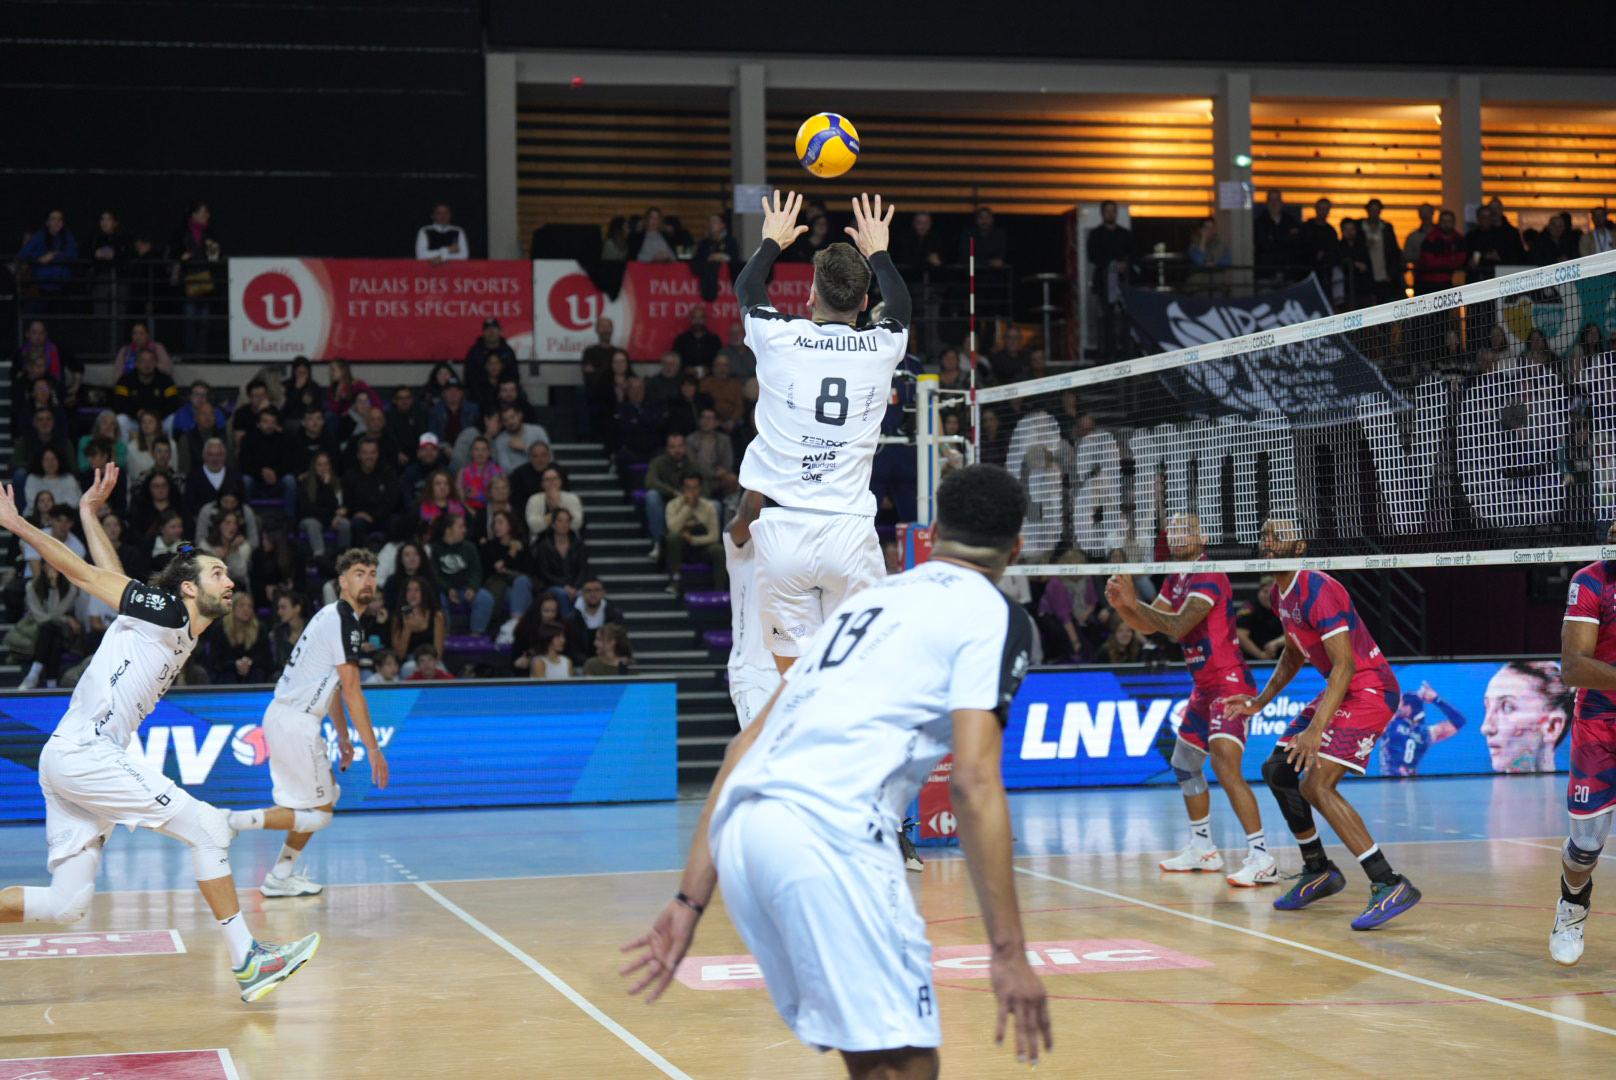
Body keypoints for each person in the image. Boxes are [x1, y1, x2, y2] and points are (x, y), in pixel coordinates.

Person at [620, 464, 1049, 1075]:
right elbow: (974, 781)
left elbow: (743, 748)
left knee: (881, 1060)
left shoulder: (867, 604)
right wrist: (1008, 953)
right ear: (1017, 546)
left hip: (744, 837)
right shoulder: (998, 616)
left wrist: (690, 900)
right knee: (906, 1065)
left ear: (935, 531)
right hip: (828, 836)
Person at [0, 465, 320, 1003]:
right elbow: (82, 576)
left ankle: (249, 955)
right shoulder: (170, 612)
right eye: (219, 573)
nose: (232, 582)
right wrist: (16, 524)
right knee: (208, 831)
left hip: (72, 758)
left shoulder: (164, 619)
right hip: (85, 755)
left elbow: (110, 577)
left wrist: (86, 514)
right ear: (190, 587)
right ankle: (249, 960)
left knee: (66, 905)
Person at [733, 191, 908, 676]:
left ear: (810, 297)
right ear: (865, 303)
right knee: (866, 675)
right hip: (850, 533)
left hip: (784, 531)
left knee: (797, 683)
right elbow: (902, 304)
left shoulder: (778, 338)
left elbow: (748, 288)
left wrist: (772, 242)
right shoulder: (882, 345)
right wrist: (879, 250)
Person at [1226, 518, 1419, 930]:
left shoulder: (1319, 587)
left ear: (1300, 548)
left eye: (1278, 536)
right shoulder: (1281, 595)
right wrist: (1260, 701)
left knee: (1315, 783)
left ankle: (1389, 882)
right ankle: (1318, 870)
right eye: (1264, 536)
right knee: (1278, 770)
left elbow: (1346, 665)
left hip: (1368, 689)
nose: (1268, 542)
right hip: (1342, 687)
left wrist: (1315, 730)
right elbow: (1295, 655)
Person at [1107, 513, 1276, 887]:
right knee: (1184, 762)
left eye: (1188, 529)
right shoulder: (1176, 576)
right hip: (1203, 687)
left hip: (1230, 682)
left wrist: (1136, 602)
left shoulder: (1209, 572)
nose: (1179, 534)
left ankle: (1262, 856)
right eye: (1174, 530)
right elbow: (1153, 625)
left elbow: (1179, 626)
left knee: (1225, 765)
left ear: (1202, 537)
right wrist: (1125, 607)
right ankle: (1203, 848)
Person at [228, 550, 390, 897]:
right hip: (295, 723)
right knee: (319, 814)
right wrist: (372, 749)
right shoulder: (343, 620)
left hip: (290, 719)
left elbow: (332, 688)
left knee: (326, 796)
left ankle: (280, 877)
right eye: (360, 573)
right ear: (343, 582)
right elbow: (351, 691)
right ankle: (231, 822)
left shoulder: (334, 617)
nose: (368, 580)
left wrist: (344, 738)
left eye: (373, 573)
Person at [1552, 540, 1616, 964]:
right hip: (1601, 719)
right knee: (1586, 845)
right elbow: (1573, 666)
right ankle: (1572, 905)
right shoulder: (1591, 581)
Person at [723, 491, 781, 728]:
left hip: (792, 669)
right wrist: (765, 466)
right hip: (752, 671)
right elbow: (749, 512)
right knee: (759, 751)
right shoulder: (739, 545)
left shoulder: (792, 547)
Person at [6, 562, 81, 690]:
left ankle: (34, 674)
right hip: (36, 629)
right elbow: (38, 616)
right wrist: (65, 619)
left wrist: (54, 587)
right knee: (50, 631)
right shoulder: (32, 586)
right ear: (43, 566)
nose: (53, 569)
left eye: (55, 565)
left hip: (62, 631)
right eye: (49, 565)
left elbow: (58, 611)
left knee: (52, 630)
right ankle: (51, 683)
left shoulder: (70, 588)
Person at [1380, 681, 1468, 777]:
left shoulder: (1390, 725)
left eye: (1400, 703)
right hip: (1411, 785)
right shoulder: (1427, 733)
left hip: (1390, 783)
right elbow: (1459, 721)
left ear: (1408, 708)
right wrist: (1436, 699)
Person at [1086, 200, 1133, 358]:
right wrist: (1111, 265)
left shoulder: (1125, 234)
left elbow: (1132, 254)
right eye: (1107, 211)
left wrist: (1124, 265)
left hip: (1123, 284)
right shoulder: (1096, 234)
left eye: (1113, 211)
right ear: (1102, 213)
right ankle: (1108, 353)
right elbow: (1092, 256)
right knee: (1107, 319)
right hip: (1104, 284)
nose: (1110, 214)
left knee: (1126, 317)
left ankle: (1126, 351)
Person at [665, 474, 726, 590]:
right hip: (681, 548)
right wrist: (688, 507)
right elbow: (672, 529)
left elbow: (714, 536)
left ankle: (719, 590)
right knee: (672, 538)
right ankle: (675, 581)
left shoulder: (709, 507)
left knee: (718, 549)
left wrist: (693, 540)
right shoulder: (672, 505)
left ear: (701, 488)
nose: (692, 491)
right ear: (683, 489)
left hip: (702, 547)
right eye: (688, 488)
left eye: (695, 488)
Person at [202, 591, 274, 685]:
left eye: (249, 606)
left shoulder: (260, 629)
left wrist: (250, 662)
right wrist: (235, 664)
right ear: (232, 608)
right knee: (228, 676)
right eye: (242, 605)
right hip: (227, 672)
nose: (246, 609)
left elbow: (266, 658)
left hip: (253, 671)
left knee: (257, 674)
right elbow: (215, 661)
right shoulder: (220, 628)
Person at [390, 576, 446, 663]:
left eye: (417, 590)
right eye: (409, 590)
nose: (412, 594)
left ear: (424, 593)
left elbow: (438, 653)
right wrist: (407, 628)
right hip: (409, 661)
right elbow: (400, 655)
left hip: (432, 662)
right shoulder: (398, 617)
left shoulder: (437, 616)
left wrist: (427, 665)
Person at [1235, 577, 1286, 660]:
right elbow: (1240, 635)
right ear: (1259, 591)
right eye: (1265, 592)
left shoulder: (1286, 606)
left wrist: (1276, 643)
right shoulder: (1249, 607)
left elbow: (1296, 633)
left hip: (1283, 658)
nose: (1268, 596)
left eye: (1273, 592)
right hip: (1253, 660)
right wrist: (1261, 655)